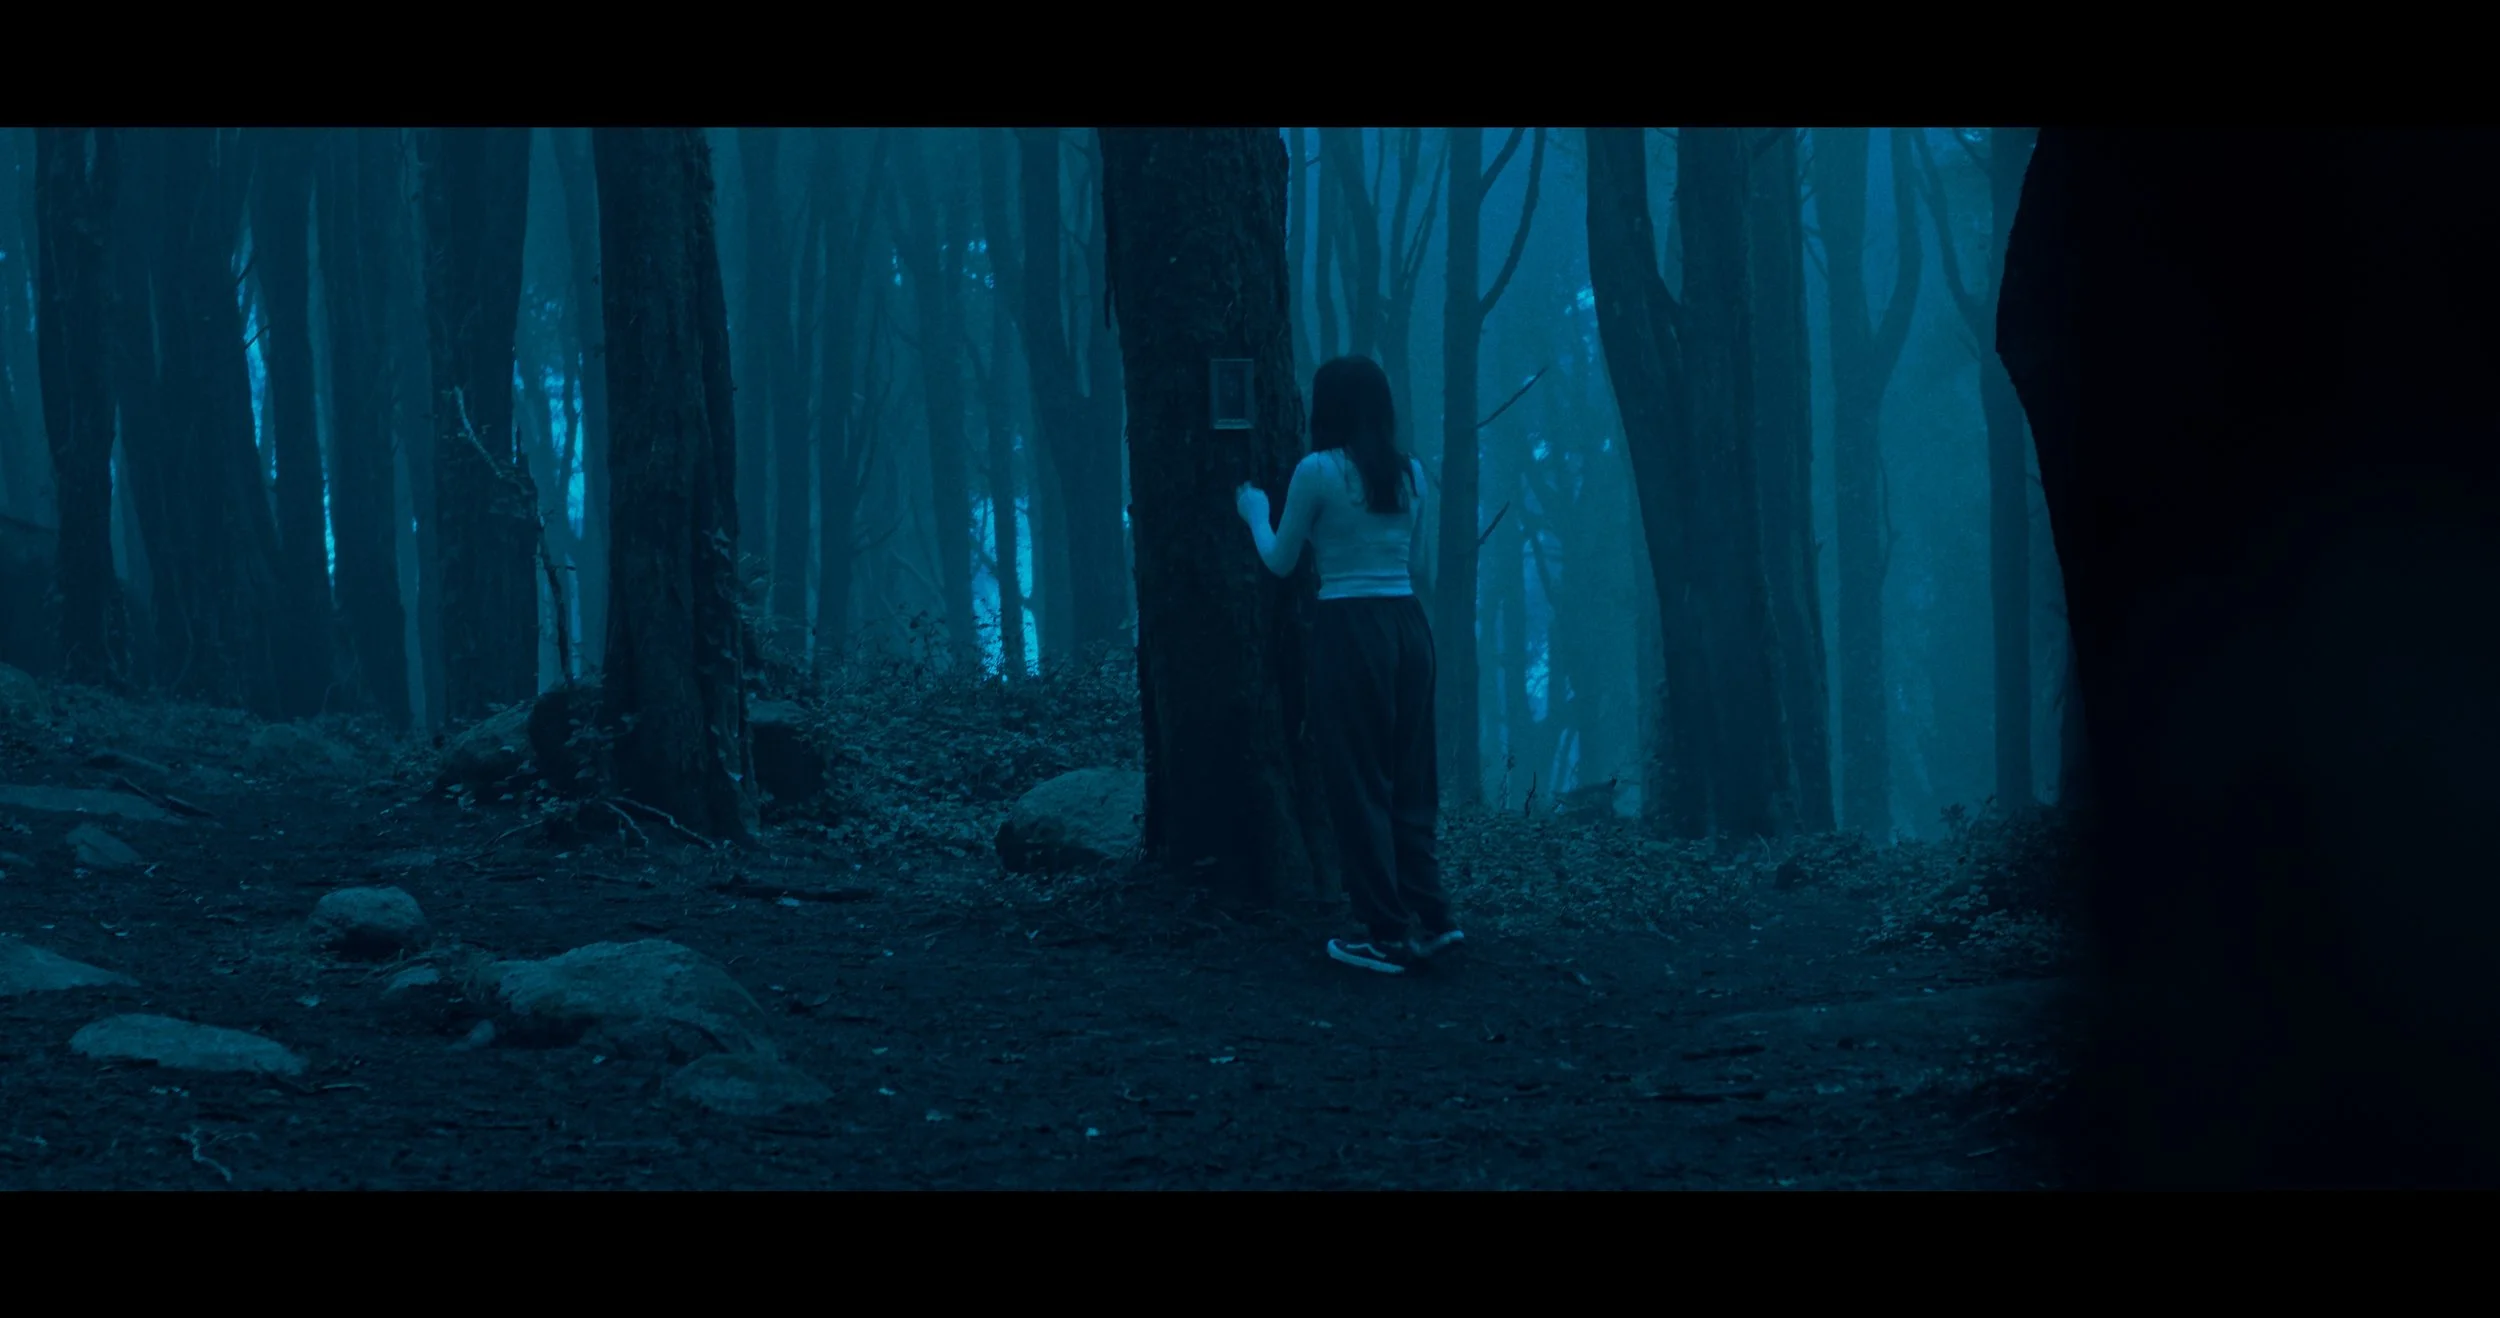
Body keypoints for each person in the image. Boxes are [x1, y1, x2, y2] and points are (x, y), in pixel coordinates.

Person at [1235, 355, 1461, 975]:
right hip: (1409, 627)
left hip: (1349, 629)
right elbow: (1409, 555)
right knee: (1411, 780)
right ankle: (1435, 919)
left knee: (1358, 782)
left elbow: (1280, 560)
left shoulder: (1317, 470)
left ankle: (1384, 934)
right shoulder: (1411, 472)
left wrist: (1253, 511)